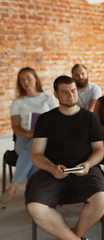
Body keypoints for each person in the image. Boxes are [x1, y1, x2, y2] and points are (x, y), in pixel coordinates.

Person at [26, 76, 104, 240]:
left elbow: (99, 150)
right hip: (52, 170)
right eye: (64, 92)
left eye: (73, 91)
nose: (71, 95)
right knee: (35, 207)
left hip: (85, 168)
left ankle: (74, 236)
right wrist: (51, 168)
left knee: (101, 198)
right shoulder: (45, 119)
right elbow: (36, 155)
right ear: (56, 94)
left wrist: (88, 164)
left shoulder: (90, 118)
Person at [0, 67, 58, 205]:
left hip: (44, 139)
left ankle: (14, 187)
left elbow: (56, 122)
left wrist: (39, 134)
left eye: (29, 78)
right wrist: (28, 134)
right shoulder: (18, 102)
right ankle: (38, 196)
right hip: (23, 138)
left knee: (34, 148)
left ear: (36, 79)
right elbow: (15, 127)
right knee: (33, 155)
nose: (26, 82)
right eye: (22, 79)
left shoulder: (48, 99)